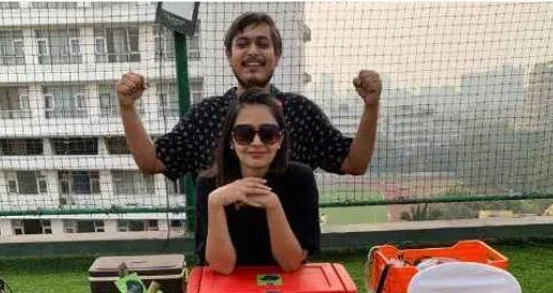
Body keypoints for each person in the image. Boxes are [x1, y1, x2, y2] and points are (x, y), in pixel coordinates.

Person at [117, 12, 381, 182]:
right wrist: (127, 108)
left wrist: (371, 106)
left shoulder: (300, 111)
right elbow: (151, 161)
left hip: (289, 252)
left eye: (262, 44)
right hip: (220, 253)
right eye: (242, 44)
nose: (253, 51)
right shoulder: (206, 114)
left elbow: (353, 163)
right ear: (229, 55)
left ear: (276, 55)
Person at [196, 89, 318, 275]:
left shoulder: (300, 178)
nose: (257, 142)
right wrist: (215, 203)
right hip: (231, 291)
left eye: (268, 134)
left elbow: (292, 263)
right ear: (231, 140)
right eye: (244, 134)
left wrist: (273, 205)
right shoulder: (209, 183)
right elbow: (222, 267)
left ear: (280, 140)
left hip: (285, 288)